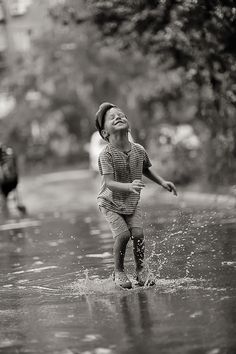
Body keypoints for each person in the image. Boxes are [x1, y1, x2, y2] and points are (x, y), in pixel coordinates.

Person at [95, 102, 177, 289]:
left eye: (121, 115)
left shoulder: (138, 150)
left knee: (138, 234)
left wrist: (162, 182)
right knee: (123, 235)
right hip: (109, 203)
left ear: (128, 125)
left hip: (132, 202)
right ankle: (119, 271)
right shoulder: (106, 154)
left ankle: (141, 270)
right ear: (104, 133)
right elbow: (108, 183)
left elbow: (145, 169)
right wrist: (129, 185)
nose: (118, 117)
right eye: (112, 117)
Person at [0, 142, 26, 215]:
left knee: (5, 196)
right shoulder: (10, 152)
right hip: (12, 180)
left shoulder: (7, 155)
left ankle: (7, 208)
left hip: (6, 181)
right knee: (13, 193)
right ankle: (17, 205)